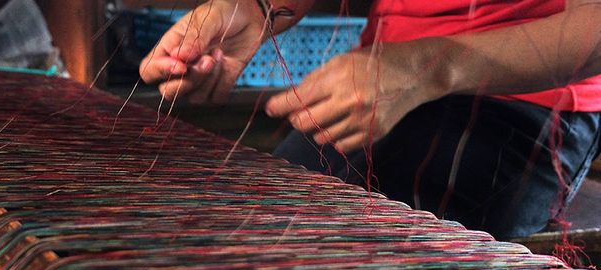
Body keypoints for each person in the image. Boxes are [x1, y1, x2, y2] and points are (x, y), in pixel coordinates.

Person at [139, 0, 601, 240]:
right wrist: (253, 9)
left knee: (312, 249)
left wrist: (430, 67)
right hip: (383, 82)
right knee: (250, 226)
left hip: (524, 97)